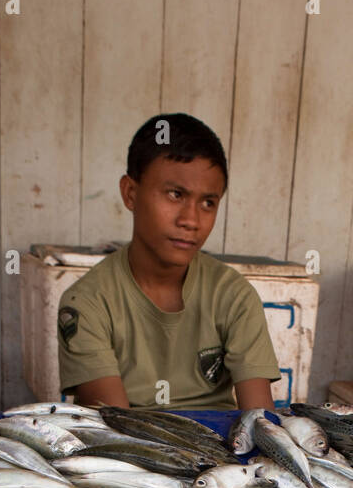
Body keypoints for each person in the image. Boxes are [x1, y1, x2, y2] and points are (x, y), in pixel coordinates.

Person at [56, 113, 279, 411]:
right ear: (130, 193)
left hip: (218, 449)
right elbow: (115, 430)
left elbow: (260, 420)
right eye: (175, 195)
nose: (191, 220)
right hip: (128, 450)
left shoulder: (233, 296)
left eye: (208, 203)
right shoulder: (87, 303)